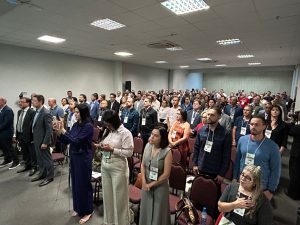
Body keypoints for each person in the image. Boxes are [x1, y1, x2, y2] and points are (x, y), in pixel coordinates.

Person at [55, 103, 94, 224]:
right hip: (75, 156)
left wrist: (63, 131)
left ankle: (88, 211)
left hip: (83, 158)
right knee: (76, 184)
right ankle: (78, 208)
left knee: (84, 184)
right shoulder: (77, 125)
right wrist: (59, 133)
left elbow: (76, 141)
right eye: (75, 112)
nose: (75, 114)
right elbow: (68, 139)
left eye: (77, 112)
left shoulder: (88, 126)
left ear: (83, 113)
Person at [95, 110, 133, 225]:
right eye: (106, 124)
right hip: (105, 166)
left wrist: (112, 150)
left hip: (118, 169)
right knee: (108, 197)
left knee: (120, 199)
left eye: (108, 123)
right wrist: (100, 146)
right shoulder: (109, 131)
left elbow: (129, 152)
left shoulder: (125, 133)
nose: (107, 126)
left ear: (114, 121)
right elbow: (106, 144)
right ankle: (109, 222)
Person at [233, 115, 281, 200]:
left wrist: (270, 190)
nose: (253, 127)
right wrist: (235, 178)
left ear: (264, 126)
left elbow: (275, 170)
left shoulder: (273, 147)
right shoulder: (242, 140)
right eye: (251, 124)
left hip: (260, 186)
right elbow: (238, 161)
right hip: (242, 182)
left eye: (256, 125)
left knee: (254, 211)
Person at [139, 126, 172, 225]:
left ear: (162, 138)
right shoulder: (148, 146)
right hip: (146, 183)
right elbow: (143, 165)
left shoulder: (167, 151)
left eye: (156, 136)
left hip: (160, 185)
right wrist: (144, 182)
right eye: (152, 134)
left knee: (158, 212)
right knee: (146, 208)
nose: (152, 137)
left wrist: (151, 184)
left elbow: (166, 174)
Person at [192, 107, 231, 185]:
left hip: (215, 171)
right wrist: (195, 164)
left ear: (219, 117)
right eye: (208, 114)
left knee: (212, 195)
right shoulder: (201, 130)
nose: (209, 117)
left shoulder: (225, 134)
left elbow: (226, 156)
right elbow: (196, 148)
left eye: (212, 115)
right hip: (200, 167)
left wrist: (222, 174)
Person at [31, 94, 54, 186]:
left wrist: (45, 142)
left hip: (43, 141)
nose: (32, 102)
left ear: (40, 102)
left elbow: (49, 130)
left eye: (35, 101)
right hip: (37, 140)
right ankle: (42, 174)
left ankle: (49, 177)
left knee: (47, 160)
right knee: (39, 159)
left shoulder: (46, 113)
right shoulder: (36, 111)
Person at [15, 97, 36, 175]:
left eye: (22, 102)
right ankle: (27, 165)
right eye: (20, 102)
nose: (20, 103)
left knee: (32, 153)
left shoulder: (32, 112)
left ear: (28, 103)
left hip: (29, 136)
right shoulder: (19, 112)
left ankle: (34, 167)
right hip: (21, 135)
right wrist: (17, 136)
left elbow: (32, 126)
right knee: (25, 152)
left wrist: (32, 137)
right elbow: (19, 124)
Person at [0, 97, 20, 169]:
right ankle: (8, 159)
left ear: (3, 102)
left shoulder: (8, 110)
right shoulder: (1, 110)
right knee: (3, 147)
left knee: (9, 147)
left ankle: (16, 161)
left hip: (7, 132)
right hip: (2, 133)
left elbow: (7, 123)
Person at [285, 112, 300, 200]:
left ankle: (292, 193)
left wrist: (293, 121)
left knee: (294, 173)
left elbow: (291, 131)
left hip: (297, 154)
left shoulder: (298, 127)